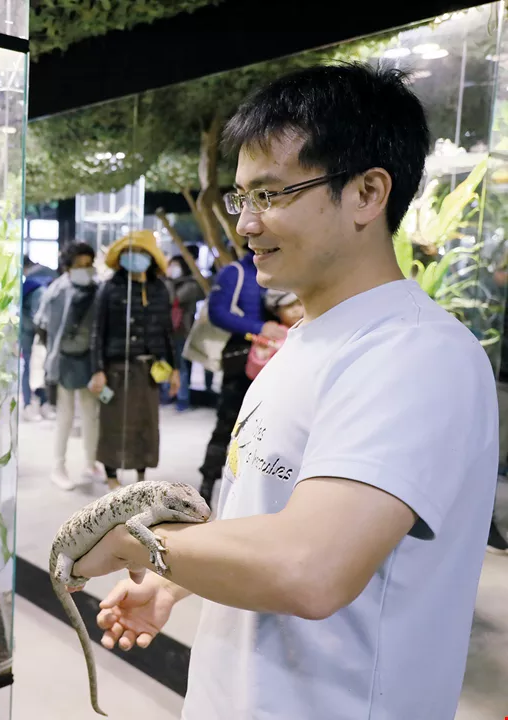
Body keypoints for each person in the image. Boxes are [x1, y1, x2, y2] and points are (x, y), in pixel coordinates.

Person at [69, 64, 497, 720]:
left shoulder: (417, 355)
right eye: (241, 198)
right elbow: (267, 519)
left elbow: (311, 565)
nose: (246, 223)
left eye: (270, 195)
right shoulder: (305, 340)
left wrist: (134, 541)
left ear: (367, 193)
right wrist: (175, 581)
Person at [88, 231, 180, 489]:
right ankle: (111, 475)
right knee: (113, 423)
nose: (136, 257)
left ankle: (141, 475)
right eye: (131, 252)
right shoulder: (109, 288)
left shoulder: (159, 289)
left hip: (149, 369)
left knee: (145, 423)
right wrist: (98, 369)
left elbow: (167, 332)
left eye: (141, 252)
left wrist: (175, 369)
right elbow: (97, 332)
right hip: (116, 369)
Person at [195, 244, 283, 508]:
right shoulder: (235, 272)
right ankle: (207, 487)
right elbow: (217, 313)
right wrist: (259, 327)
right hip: (241, 361)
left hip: (276, 358)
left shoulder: (285, 269)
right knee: (228, 425)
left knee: (270, 430)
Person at [34, 242, 102, 489]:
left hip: (90, 359)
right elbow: (45, 327)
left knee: (91, 414)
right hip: (64, 360)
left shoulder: (97, 287)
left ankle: (91, 463)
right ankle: (58, 467)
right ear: (67, 267)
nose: (85, 269)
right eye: (79, 265)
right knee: (65, 415)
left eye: (89, 264)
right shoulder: (56, 292)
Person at [163, 253, 206, 411]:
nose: (172, 268)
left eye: (175, 265)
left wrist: (168, 281)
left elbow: (173, 299)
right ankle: (170, 394)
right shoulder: (169, 283)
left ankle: (183, 398)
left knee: (182, 366)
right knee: (169, 364)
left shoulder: (190, 285)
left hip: (183, 330)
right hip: (168, 330)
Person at [21, 255, 56, 420]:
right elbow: (39, 316)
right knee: (36, 368)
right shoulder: (42, 284)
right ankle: (35, 405)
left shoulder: (31, 283)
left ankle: (35, 404)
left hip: (31, 332)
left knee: (34, 368)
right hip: (36, 334)